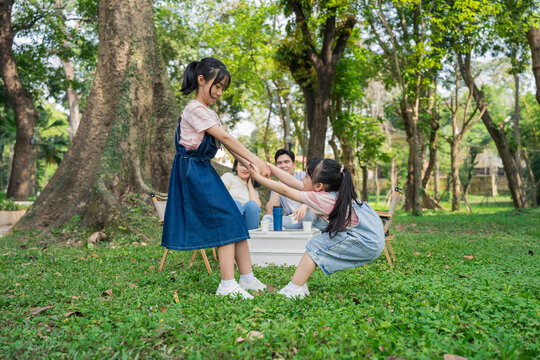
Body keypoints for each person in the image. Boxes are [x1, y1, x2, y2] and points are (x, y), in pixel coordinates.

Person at [161, 58, 270, 299]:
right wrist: (257, 160)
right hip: (192, 172)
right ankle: (227, 285)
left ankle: (247, 278)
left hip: (202, 169)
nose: (219, 93)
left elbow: (229, 148)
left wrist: (251, 165)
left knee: (234, 217)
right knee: (226, 220)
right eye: (217, 86)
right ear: (201, 80)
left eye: (222, 88)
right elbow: (228, 139)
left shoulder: (208, 113)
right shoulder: (194, 109)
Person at [250, 158, 385, 299]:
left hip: (366, 242)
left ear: (319, 186)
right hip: (371, 237)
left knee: (316, 246)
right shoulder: (334, 192)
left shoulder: (322, 199)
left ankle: (294, 289)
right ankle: (298, 284)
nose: (302, 178)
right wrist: (269, 166)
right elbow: (290, 182)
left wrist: (258, 177)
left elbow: (285, 190)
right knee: (316, 245)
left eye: (307, 176)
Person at [263, 149, 314, 229]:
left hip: (308, 217)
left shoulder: (304, 177)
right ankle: (283, 235)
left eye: (286, 162)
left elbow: (317, 195)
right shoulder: (276, 184)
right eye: (279, 163)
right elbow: (271, 211)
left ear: (294, 165)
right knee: (267, 218)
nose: (283, 166)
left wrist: (305, 205)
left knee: (309, 212)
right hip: (293, 220)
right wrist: (279, 183)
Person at [221, 159, 262, 230]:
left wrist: (250, 186)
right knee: (236, 204)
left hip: (248, 225)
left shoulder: (254, 192)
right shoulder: (229, 177)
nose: (244, 168)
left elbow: (257, 208)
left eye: (248, 166)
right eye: (241, 165)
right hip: (230, 218)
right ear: (236, 167)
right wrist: (241, 206)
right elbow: (222, 197)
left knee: (252, 205)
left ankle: (250, 238)